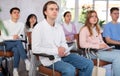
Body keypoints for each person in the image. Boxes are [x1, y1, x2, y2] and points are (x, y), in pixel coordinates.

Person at [32, 1, 93, 76]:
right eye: (51, 9)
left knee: (89, 63)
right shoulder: (38, 28)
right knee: (70, 70)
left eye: (56, 9)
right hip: (50, 59)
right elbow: (35, 49)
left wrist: (63, 49)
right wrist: (56, 51)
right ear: (45, 12)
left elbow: (63, 42)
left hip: (64, 55)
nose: (55, 11)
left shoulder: (59, 27)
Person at [79, 10, 120, 76]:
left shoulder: (97, 29)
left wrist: (107, 46)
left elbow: (101, 41)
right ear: (88, 18)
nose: (94, 18)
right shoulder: (84, 29)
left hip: (101, 50)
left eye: (96, 16)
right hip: (93, 52)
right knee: (118, 56)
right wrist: (98, 46)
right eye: (92, 16)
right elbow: (82, 44)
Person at [0, 7, 30, 76]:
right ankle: (26, 60)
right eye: (14, 12)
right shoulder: (5, 23)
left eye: (18, 13)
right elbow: (4, 37)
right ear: (11, 14)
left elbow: (22, 35)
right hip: (3, 44)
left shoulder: (21, 24)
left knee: (16, 49)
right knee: (18, 42)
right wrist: (12, 37)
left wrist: (18, 36)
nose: (17, 14)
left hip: (14, 44)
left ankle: (15, 70)